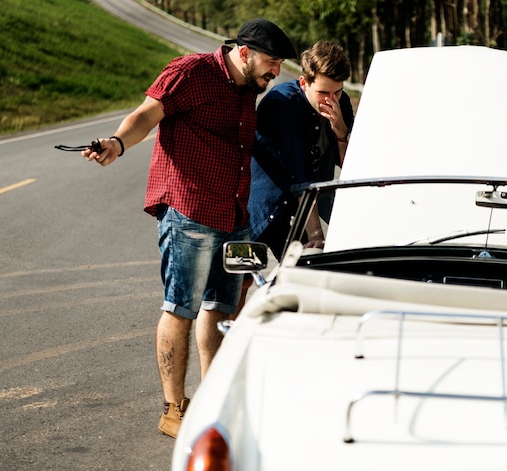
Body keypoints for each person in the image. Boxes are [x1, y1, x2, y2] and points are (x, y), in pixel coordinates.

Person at [81, 18, 296, 439]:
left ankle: (212, 395)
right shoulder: (191, 72)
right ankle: (173, 408)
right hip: (190, 212)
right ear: (246, 53)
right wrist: (117, 143)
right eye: (272, 62)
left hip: (235, 214)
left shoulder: (248, 91)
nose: (276, 72)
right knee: (181, 307)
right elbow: (147, 114)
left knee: (223, 307)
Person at [238, 41, 353, 309]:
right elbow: (299, 174)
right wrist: (316, 233)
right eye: (323, 92)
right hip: (264, 205)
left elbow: (350, 167)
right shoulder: (283, 103)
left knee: (305, 280)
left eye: (337, 92)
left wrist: (340, 131)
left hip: (309, 203)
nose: (331, 99)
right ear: (303, 83)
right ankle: (230, 343)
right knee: (239, 284)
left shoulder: (340, 102)